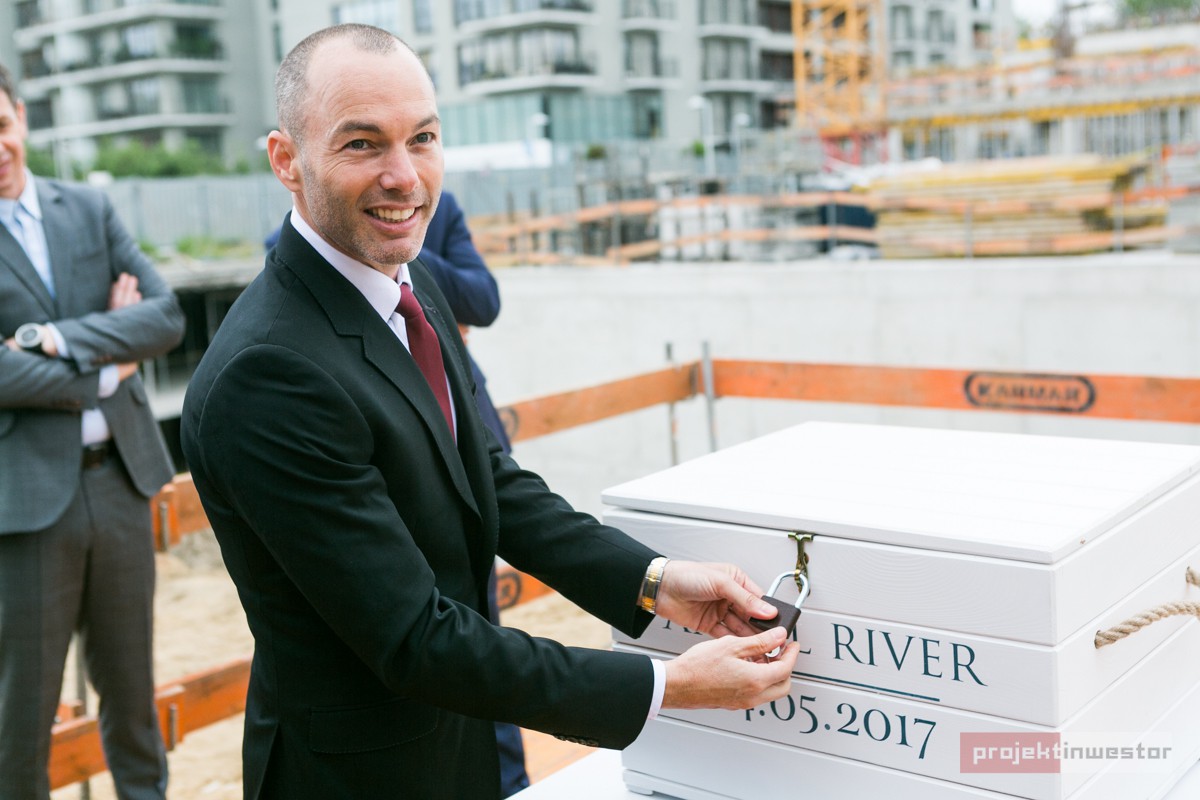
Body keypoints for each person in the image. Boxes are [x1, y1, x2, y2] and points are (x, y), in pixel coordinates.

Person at [181, 24, 800, 800]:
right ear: (286, 161)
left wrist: (653, 582)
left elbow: (489, 480)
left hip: (459, 743)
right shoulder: (268, 374)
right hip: (356, 776)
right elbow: (414, 639)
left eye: (423, 138)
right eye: (362, 144)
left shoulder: (409, 284)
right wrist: (666, 687)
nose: (405, 176)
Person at [0, 63, 184, 800]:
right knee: (22, 715)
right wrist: (108, 364)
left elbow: (163, 316)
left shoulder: (87, 206)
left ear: (20, 118)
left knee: (133, 699)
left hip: (121, 486)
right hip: (24, 505)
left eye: (1, 125)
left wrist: (51, 340)